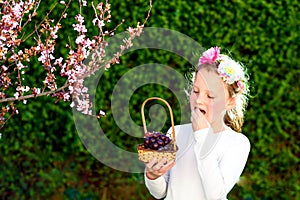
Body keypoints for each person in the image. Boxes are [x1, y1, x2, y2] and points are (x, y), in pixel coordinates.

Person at [144, 46, 251, 200]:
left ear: (230, 101)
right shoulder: (177, 132)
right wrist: (153, 176)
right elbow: (161, 192)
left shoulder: (237, 143)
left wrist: (202, 135)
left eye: (211, 96)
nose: (199, 100)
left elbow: (215, 195)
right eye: (195, 91)